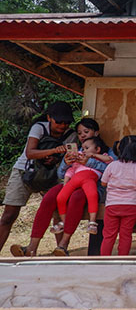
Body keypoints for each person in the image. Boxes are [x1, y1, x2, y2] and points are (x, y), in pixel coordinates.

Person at [10, 117, 115, 257]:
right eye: (79, 133)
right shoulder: (76, 149)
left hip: (94, 187)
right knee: (50, 196)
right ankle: (31, 247)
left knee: (77, 198)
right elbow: (61, 174)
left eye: (86, 131)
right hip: (72, 183)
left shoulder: (107, 151)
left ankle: (63, 245)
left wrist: (89, 162)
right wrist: (66, 163)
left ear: (96, 132)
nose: (82, 135)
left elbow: (113, 169)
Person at [0, 101, 76, 253]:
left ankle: (61, 250)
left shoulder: (71, 135)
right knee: (9, 215)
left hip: (51, 176)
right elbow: (30, 152)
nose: (62, 126)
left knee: (58, 213)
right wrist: (53, 151)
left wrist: (54, 159)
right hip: (25, 171)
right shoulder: (39, 127)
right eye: (59, 122)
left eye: (66, 122)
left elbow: (69, 158)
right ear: (49, 118)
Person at [52, 136, 112, 236]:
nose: (83, 151)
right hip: (75, 179)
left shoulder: (101, 157)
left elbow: (109, 160)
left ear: (97, 149)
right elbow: (70, 171)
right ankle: (63, 222)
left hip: (89, 178)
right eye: (83, 149)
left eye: (87, 148)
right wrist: (66, 184)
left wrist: (92, 156)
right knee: (60, 198)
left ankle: (92, 222)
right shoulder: (78, 162)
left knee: (92, 195)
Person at [100, 135, 136, 256]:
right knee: (126, 235)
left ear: (119, 149)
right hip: (131, 205)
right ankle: (122, 259)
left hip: (113, 204)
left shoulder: (112, 166)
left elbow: (103, 183)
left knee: (109, 235)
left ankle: (103, 259)